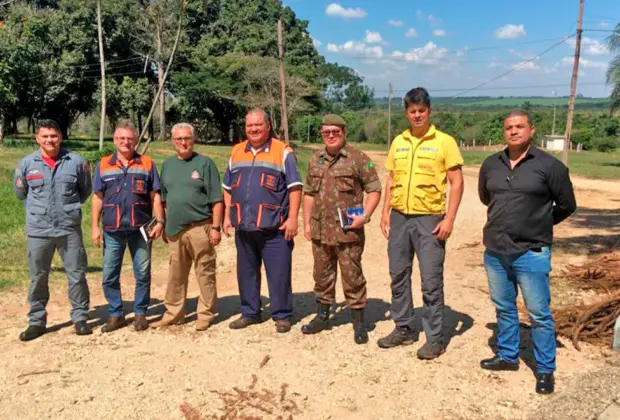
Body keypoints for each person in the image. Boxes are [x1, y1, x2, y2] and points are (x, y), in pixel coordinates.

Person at [478, 110, 576, 395]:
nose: (514, 131)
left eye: (520, 126)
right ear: (503, 132)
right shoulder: (490, 165)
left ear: (531, 130)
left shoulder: (550, 166)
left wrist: (542, 223)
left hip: (531, 252)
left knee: (539, 314)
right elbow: (486, 197)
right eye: (509, 127)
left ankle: (545, 370)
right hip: (496, 251)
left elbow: (567, 205)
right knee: (504, 307)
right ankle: (508, 356)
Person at [378, 87, 465, 360]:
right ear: (406, 113)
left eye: (421, 111)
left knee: (430, 280)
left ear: (429, 111)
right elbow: (391, 179)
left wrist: (449, 218)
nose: (417, 116)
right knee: (398, 274)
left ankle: (435, 338)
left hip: (430, 219)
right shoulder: (398, 142)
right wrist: (384, 212)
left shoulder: (444, 142)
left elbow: (457, 181)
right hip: (399, 217)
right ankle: (403, 327)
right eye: (412, 111)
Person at [301, 114, 382, 344]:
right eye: (326, 132)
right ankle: (323, 316)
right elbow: (309, 193)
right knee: (322, 275)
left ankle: (358, 323)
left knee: (352, 276)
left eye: (335, 132)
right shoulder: (315, 158)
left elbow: (374, 189)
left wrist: (365, 216)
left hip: (348, 231)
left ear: (344, 132)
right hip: (320, 230)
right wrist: (306, 222)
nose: (331, 136)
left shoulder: (358, 158)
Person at [222, 109, 303, 333]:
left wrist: (293, 218)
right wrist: (229, 214)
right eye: (250, 126)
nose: (254, 129)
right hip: (244, 225)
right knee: (246, 272)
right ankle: (250, 312)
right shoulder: (237, 151)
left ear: (268, 126)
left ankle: (282, 314)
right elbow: (227, 188)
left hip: (274, 227)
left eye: (258, 125)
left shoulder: (283, 152)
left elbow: (295, 187)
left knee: (278, 273)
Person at [13, 119, 93, 341]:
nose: (50, 140)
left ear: (61, 137)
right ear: (37, 138)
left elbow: (85, 190)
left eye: (54, 135)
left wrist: (68, 210)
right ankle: (36, 321)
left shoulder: (76, 162)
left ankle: (80, 318)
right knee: (38, 277)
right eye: (45, 136)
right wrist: (38, 211)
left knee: (77, 275)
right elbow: (21, 193)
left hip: (69, 228)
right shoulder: (26, 164)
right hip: (39, 230)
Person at [91, 120, 164, 333]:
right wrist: (94, 227)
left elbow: (155, 195)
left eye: (130, 139)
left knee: (142, 273)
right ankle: (116, 314)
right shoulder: (103, 164)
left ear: (135, 140)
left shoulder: (148, 163)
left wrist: (159, 221)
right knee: (109, 275)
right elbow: (97, 197)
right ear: (114, 140)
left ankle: (141, 313)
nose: (126, 142)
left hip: (140, 230)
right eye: (121, 138)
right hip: (112, 230)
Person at [153, 123, 223, 331]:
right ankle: (174, 313)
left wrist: (216, 227)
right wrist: (164, 224)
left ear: (193, 139)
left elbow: (217, 199)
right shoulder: (167, 165)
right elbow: (163, 199)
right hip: (175, 230)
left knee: (205, 272)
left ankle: (205, 314)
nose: (183, 143)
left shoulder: (205, 163)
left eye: (187, 138)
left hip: (200, 227)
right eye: (178, 139)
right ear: (173, 141)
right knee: (176, 274)